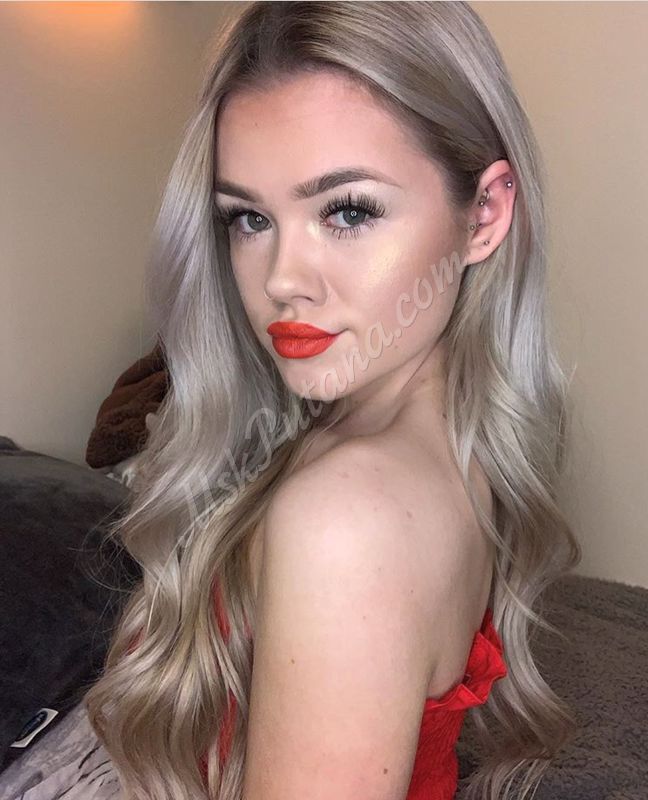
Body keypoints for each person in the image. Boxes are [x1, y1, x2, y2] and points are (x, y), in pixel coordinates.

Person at [84, 3, 582, 799]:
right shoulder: (434, 432)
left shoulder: (345, 520)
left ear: (483, 215)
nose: (284, 278)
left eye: (348, 210)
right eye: (249, 218)